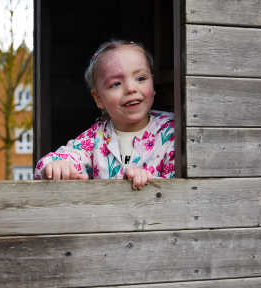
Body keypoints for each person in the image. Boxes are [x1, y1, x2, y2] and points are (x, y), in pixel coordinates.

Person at [34, 40, 175, 189]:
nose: (131, 88)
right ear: (99, 99)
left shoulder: (172, 130)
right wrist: (58, 166)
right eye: (116, 84)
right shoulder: (96, 137)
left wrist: (151, 181)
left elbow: (180, 187)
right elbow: (53, 160)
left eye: (140, 78)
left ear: (152, 83)